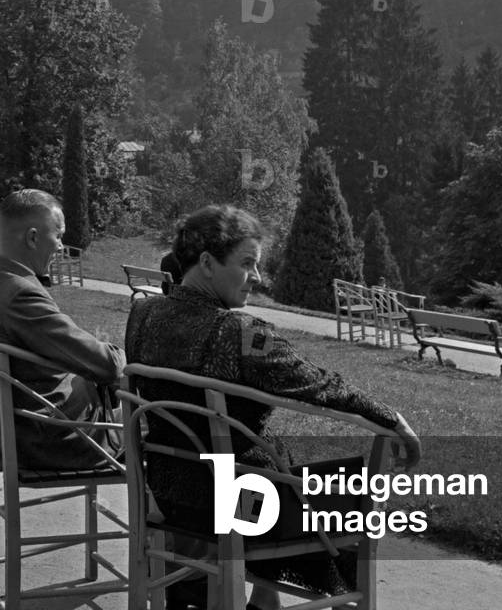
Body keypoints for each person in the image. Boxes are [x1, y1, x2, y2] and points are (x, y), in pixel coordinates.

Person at [125, 204, 421, 610]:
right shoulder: (241, 333)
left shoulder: (143, 313)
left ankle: (264, 600)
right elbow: (318, 384)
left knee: (279, 470)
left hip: (170, 491)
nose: (258, 278)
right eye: (247, 264)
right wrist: (390, 418)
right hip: (237, 503)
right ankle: (302, 597)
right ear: (208, 263)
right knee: (348, 492)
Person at [0, 188, 126, 471]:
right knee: (166, 418)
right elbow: (109, 365)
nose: (61, 246)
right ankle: (162, 514)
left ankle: (158, 511)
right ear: (33, 237)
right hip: (58, 442)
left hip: (15, 436)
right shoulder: (22, 295)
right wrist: (124, 357)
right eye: (59, 235)